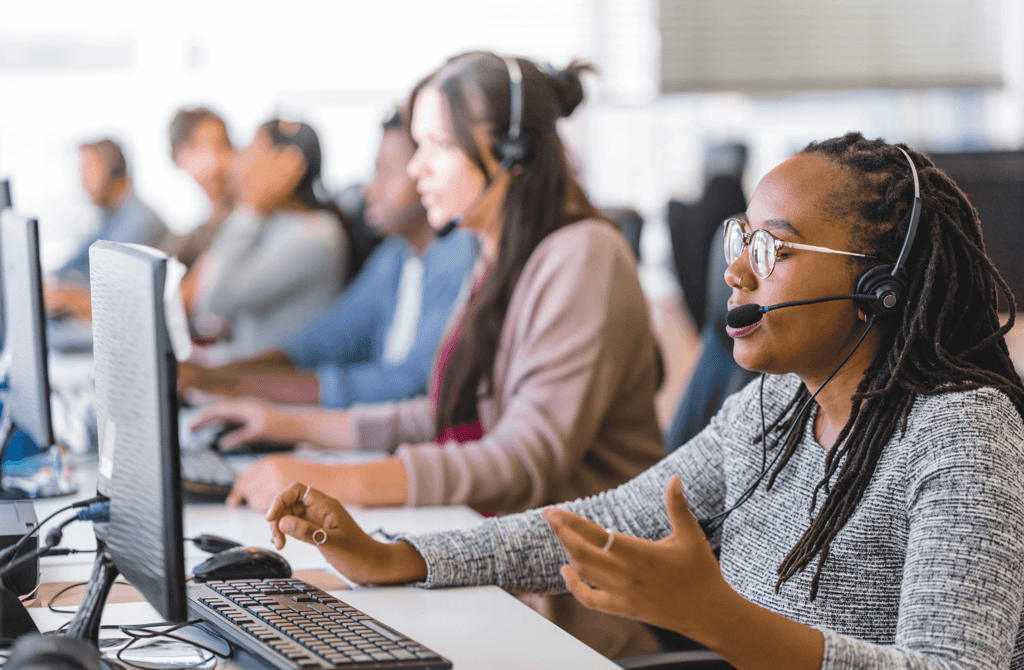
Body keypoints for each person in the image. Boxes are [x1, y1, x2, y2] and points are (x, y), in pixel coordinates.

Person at [265, 132, 1024, 668]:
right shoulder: (773, 409)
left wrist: (723, 621)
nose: (736, 274)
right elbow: (603, 523)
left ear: (876, 284)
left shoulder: (962, 434)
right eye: (741, 241)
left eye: (773, 250)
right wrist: (395, 557)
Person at [195, 52, 667, 658]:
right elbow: (453, 415)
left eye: (436, 144)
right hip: (499, 572)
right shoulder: (497, 255)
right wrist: (292, 426)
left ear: (512, 152)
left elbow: (525, 458)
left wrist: (335, 478)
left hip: (576, 611)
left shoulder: (582, 256)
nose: (417, 169)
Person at [178, 109, 478, 409]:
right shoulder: (396, 255)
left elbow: (411, 382)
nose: (369, 189)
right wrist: (213, 375)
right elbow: (324, 339)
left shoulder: (457, 254)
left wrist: (224, 382)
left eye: (385, 172)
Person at [188, 119, 350, 361]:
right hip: (245, 370)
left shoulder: (315, 235)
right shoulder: (276, 223)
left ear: (285, 164)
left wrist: (251, 208)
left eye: (252, 151)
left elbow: (212, 299)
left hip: (271, 384)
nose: (238, 163)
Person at [45, 138, 171, 318]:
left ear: (113, 171)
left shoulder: (142, 221)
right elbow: (73, 265)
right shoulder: (106, 217)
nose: (82, 181)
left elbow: (114, 296)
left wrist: (70, 297)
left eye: (87, 171)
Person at [166, 106, 237, 270]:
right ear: (179, 159)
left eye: (222, 146)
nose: (213, 160)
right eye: (199, 149)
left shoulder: (247, 215)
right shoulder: (199, 230)